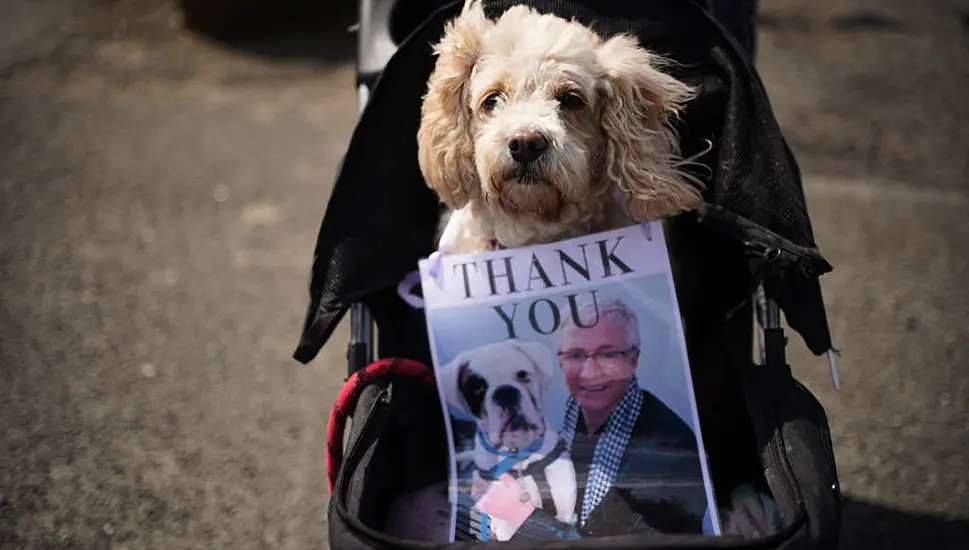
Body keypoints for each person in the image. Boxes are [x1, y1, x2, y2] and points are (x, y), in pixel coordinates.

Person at [470, 295, 710, 539]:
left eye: (607, 355)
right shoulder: (575, 411)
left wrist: (519, 516)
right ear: (561, 362)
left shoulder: (672, 457)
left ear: (634, 359)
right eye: (575, 355)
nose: (589, 372)